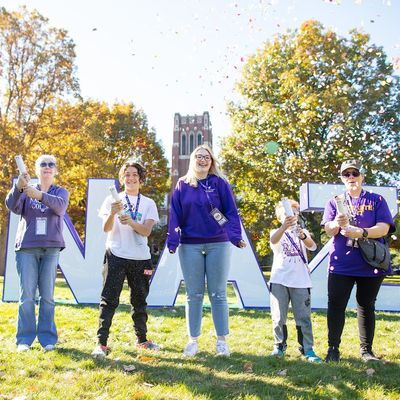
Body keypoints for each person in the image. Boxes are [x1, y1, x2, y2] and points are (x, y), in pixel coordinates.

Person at [167, 144, 246, 357]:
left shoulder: (220, 183)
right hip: (190, 244)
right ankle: (192, 340)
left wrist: (235, 237)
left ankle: (222, 341)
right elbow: (175, 214)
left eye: (207, 157)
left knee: (218, 293)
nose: (203, 160)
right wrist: (173, 241)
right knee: (193, 294)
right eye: (199, 156)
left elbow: (230, 211)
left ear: (211, 162)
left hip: (217, 243)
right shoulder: (182, 185)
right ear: (192, 160)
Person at [322, 160, 395, 363]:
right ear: (342, 178)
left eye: (355, 173)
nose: (351, 178)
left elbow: (384, 228)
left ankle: (366, 351)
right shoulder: (334, 201)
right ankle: (333, 350)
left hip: (370, 262)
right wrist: (336, 222)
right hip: (341, 264)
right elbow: (328, 230)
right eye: (347, 175)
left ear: (362, 176)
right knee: (336, 306)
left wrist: (361, 232)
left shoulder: (376, 200)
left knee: (366, 306)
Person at [92, 160, 160, 358]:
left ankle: (142, 340)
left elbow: (146, 231)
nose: (130, 178)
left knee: (139, 301)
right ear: (122, 178)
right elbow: (106, 228)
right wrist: (113, 213)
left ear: (140, 179)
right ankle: (101, 343)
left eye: (134, 175)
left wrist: (131, 221)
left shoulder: (148, 203)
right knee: (109, 300)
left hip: (140, 258)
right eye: (127, 175)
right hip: (116, 255)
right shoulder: (112, 200)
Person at [5, 155, 69, 352]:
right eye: (43, 164)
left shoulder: (61, 192)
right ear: (37, 168)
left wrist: (39, 195)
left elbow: (60, 207)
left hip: (50, 248)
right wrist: (19, 187)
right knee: (27, 296)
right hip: (27, 248)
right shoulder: (25, 188)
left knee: (48, 296)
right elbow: (10, 205)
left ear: (55, 170)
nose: (47, 167)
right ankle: (24, 340)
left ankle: (47, 338)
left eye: (51, 164)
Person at [269, 199, 321, 363]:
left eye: (294, 212)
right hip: (279, 280)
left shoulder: (302, 231)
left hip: (300, 282)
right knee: (279, 316)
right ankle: (279, 345)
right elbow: (273, 241)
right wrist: (284, 227)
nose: (290, 216)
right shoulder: (275, 232)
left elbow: (312, 246)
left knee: (303, 317)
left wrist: (302, 235)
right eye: (286, 213)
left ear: (298, 215)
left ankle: (307, 349)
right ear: (279, 217)